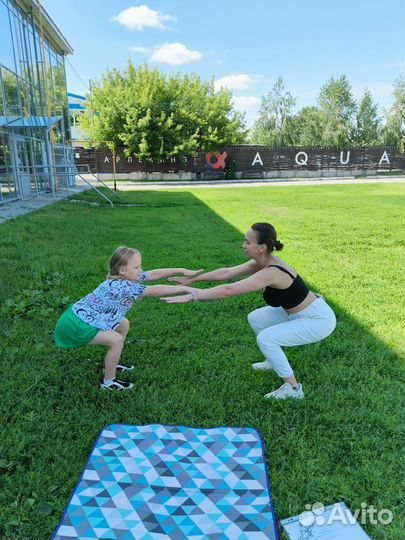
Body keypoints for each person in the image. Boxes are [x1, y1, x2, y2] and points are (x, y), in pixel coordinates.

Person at [162, 223, 336, 400]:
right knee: (257, 318)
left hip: (317, 320)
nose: (243, 245)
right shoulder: (261, 262)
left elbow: (229, 290)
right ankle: (272, 361)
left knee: (266, 338)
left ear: (262, 247)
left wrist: (194, 296)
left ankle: (293, 388)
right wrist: (193, 279)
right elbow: (228, 272)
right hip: (294, 311)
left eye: (247, 242)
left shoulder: (272, 271)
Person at [54, 246, 200, 391]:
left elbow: (153, 274)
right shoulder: (121, 286)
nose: (141, 270)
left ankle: (111, 364)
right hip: (75, 325)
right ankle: (108, 383)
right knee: (116, 340)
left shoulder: (127, 277)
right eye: (137, 267)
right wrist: (185, 289)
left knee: (123, 324)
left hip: (84, 318)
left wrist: (180, 270)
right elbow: (154, 290)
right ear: (123, 270)